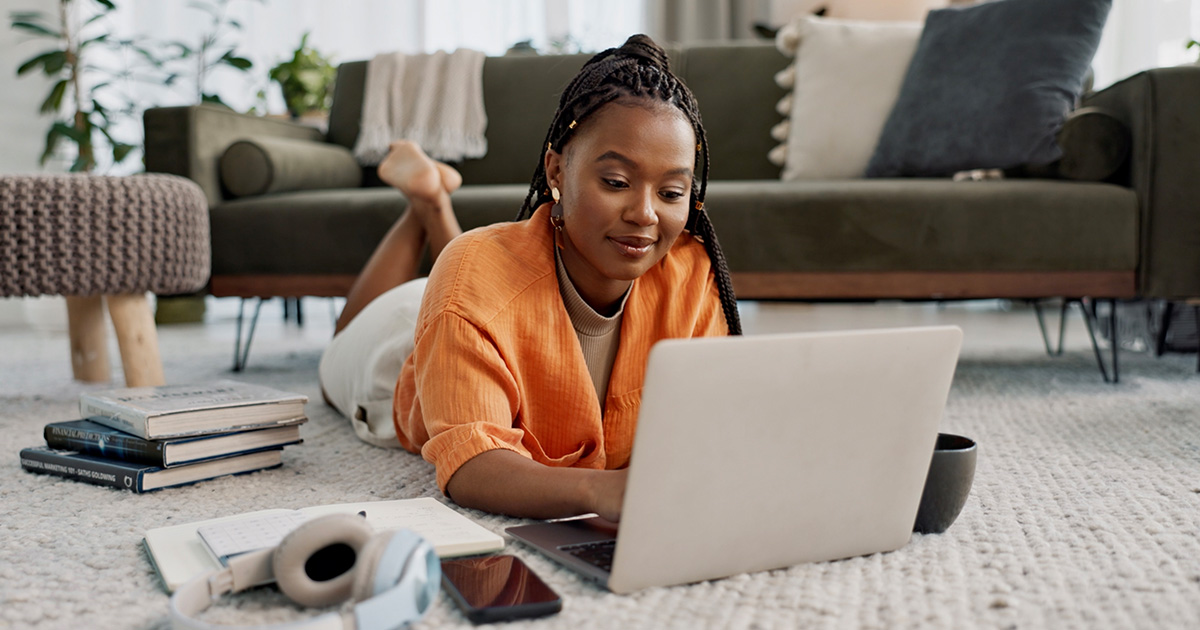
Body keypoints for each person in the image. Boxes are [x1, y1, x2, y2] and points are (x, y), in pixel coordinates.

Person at [319, 34, 741, 523]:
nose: (645, 214)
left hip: (472, 301)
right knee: (343, 340)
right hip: (394, 353)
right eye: (617, 183)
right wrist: (597, 490)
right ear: (556, 170)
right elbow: (471, 466)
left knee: (466, 271)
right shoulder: (471, 278)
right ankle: (427, 206)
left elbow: (715, 418)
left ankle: (432, 201)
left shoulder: (690, 272)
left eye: (671, 191)